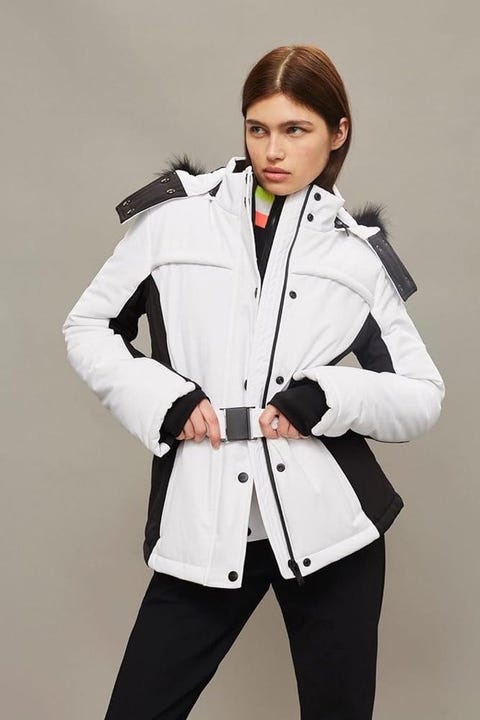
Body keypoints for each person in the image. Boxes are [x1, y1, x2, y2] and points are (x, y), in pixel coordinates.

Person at [62, 44, 445, 719]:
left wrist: (331, 395)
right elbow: (88, 327)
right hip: (204, 521)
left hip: (335, 533)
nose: (273, 151)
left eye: (296, 130)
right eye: (257, 128)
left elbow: (421, 396)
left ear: (337, 133)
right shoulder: (174, 222)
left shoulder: (356, 256)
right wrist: (165, 398)